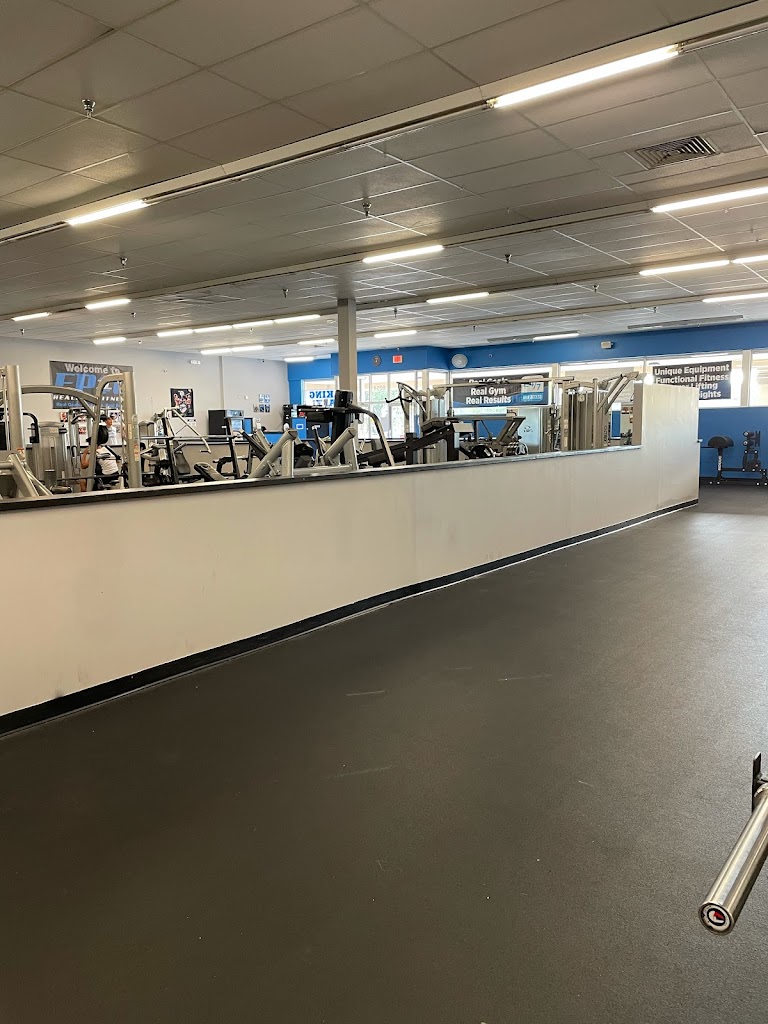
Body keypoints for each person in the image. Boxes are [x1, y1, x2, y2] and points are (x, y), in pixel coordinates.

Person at [81, 425, 122, 489]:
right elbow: (117, 461)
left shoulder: (96, 453)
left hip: (106, 477)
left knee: (82, 482)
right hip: (116, 475)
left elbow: (83, 466)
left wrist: (84, 453)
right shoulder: (107, 448)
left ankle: (88, 495)